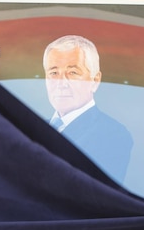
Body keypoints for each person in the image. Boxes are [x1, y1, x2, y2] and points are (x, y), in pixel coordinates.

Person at [43, 34, 134, 183]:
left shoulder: (113, 134)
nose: (61, 82)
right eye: (53, 73)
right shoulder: (31, 128)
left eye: (72, 72)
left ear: (95, 80)